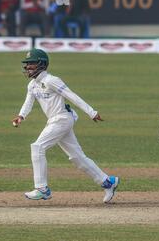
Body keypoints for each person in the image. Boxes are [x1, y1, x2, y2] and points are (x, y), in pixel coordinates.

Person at [12, 48, 119, 203]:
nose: (28, 67)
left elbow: (72, 96)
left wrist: (92, 112)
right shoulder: (32, 85)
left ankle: (42, 189)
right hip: (55, 121)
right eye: (27, 64)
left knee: (37, 147)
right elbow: (28, 102)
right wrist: (21, 115)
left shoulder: (52, 80)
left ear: (42, 64)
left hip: (62, 119)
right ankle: (108, 182)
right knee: (77, 157)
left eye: (31, 64)